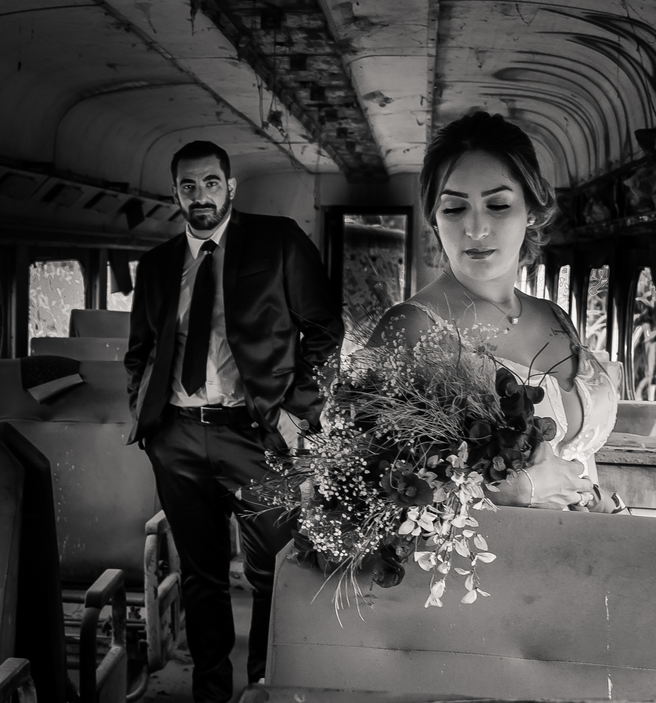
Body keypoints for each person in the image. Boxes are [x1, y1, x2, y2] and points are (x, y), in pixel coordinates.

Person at [124, 140, 343, 701]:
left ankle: (265, 685)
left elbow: (324, 330)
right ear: (175, 193)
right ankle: (211, 691)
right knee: (201, 577)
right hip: (177, 437)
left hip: (258, 434)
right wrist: (148, 423)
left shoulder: (278, 242)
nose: (201, 196)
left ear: (230, 187)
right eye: (188, 186)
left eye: (211, 183)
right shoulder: (155, 266)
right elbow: (140, 351)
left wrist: (297, 414)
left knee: (273, 570)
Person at [368, 111, 627, 513]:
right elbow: (366, 478)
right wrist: (506, 490)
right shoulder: (412, 326)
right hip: (494, 551)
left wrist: (597, 499)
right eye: (454, 209)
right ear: (434, 219)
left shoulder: (555, 317)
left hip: (589, 543)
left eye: (498, 205)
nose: (475, 229)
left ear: (532, 210)